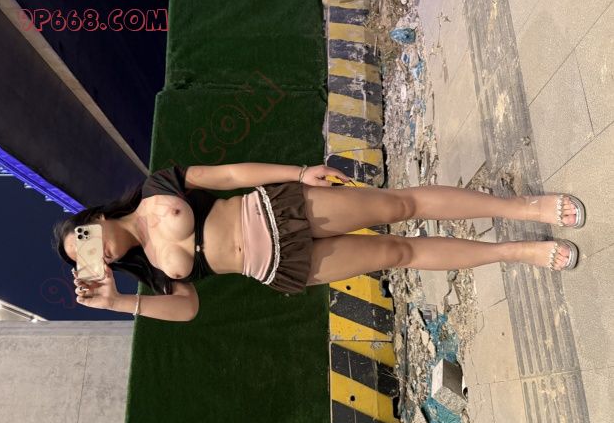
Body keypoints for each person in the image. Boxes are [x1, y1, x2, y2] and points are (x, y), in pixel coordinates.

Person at [52, 162, 585, 321]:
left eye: (85, 240)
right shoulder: (150, 273)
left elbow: (230, 174)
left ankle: (523, 208)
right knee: (399, 253)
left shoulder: (157, 188)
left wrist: (299, 171)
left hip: (280, 208)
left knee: (400, 205)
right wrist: (116, 302)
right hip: (282, 266)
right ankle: (519, 252)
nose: (98, 253)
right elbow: (187, 309)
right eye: (87, 260)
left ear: (93, 219)